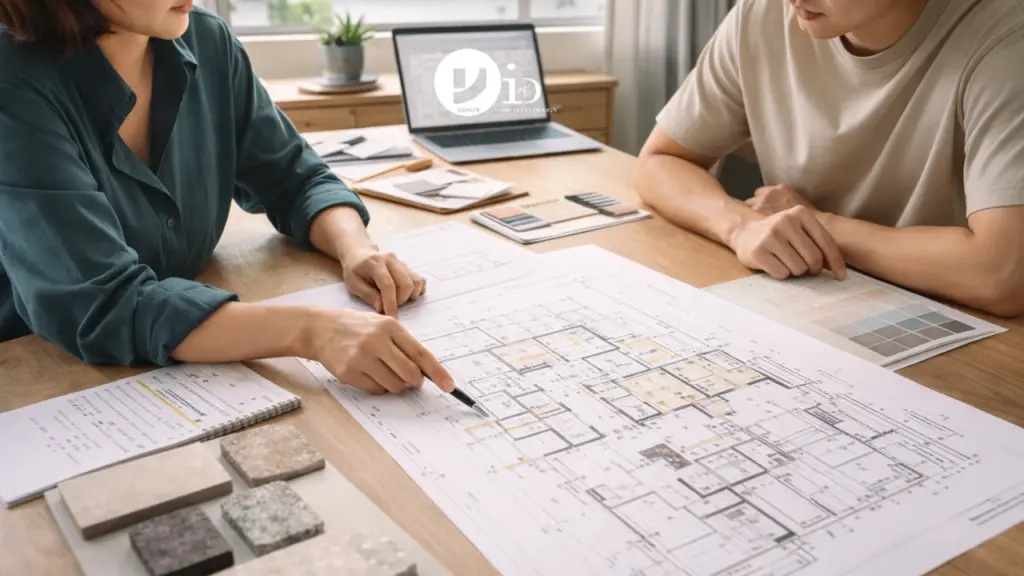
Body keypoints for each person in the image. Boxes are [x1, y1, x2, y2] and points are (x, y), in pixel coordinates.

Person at [0, 0, 456, 395]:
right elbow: (103, 305)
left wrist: (357, 250)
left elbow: (296, 176)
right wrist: (313, 331)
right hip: (43, 375)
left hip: (181, 366)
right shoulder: (14, 85)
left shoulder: (207, 40)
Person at [636, 0, 1024, 317]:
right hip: (813, 305)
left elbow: (1002, 275)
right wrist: (740, 226)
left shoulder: (1006, 37)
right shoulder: (763, 14)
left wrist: (822, 228)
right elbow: (661, 160)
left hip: (959, 332)